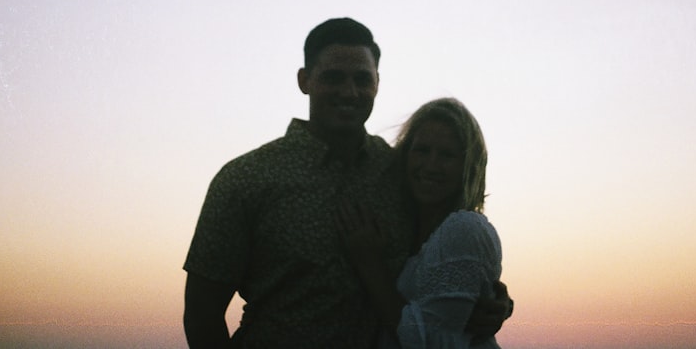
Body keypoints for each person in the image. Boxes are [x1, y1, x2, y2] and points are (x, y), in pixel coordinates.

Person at [183, 18, 508, 349]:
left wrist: (490, 295)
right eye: (333, 78)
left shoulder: (399, 170)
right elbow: (201, 315)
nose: (349, 92)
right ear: (304, 80)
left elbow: (437, 256)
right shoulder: (245, 180)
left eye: (362, 79)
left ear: (377, 83)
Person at [338, 98, 503, 349]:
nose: (431, 165)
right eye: (422, 150)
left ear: (467, 166)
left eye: (447, 155)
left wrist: (370, 265)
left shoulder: (464, 228)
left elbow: (426, 341)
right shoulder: (406, 227)